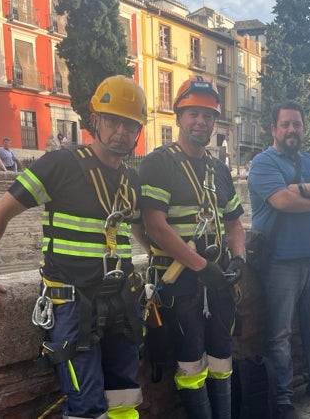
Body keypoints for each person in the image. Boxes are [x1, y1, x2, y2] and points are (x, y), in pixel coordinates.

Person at [0, 75, 148, 419]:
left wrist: (157, 259)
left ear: (138, 130)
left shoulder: (131, 180)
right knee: (87, 406)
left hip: (121, 303)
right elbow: (0, 211)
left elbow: (140, 230)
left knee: (125, 398)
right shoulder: (61, 165)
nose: (122, 131)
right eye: (114, 121)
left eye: (131, 124)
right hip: (73, 305)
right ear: (96, 121)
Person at [138, 76, 246, 419]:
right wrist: (201, 266)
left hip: (217, 280)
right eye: (193, 114)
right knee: (190, 363)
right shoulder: (159, 163)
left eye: (208, 115)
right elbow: (155, 225)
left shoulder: (218, 168)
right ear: (179, 116)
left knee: (221, 358)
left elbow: (234, 224)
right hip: (181, 281)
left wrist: (239, 259)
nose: (201, 121)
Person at [247, 101, 310, 419]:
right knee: (279, 333)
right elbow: (283, 201)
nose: (292, 129)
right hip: (280, 260)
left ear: (304, 128)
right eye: (286, 124)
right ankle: (283, 395)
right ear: (274, 129)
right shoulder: (263, 163)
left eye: (297, 124)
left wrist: (304, 188)